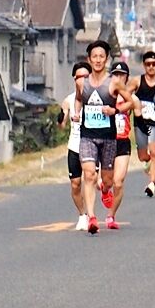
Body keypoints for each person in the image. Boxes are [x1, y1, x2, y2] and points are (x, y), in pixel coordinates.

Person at [73, 40, 133, 234]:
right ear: (89, 59)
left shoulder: (114, 82)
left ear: (106, 59)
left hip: (108, 137)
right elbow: (78, 99)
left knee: (107, 181)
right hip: (87, 136)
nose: (98, 60)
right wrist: (76, 112)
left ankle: (105, 192)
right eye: (94, 56)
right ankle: (92, 217)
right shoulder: (81, 82)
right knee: (89, 174)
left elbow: (130, 102)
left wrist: (114, 110)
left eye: (101, 56)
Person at [58, 61, 93, 231]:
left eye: (87, 76)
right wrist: (62, 119)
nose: (83, 80)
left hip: (92, 144)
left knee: (91, 179)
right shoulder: (69, 100)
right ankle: (82, 215)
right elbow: (62, 123)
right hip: (74, 145)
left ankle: (91, 214)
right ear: (74, 78)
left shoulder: (97, 97)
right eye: (80, 77)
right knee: (75, 183)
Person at [106, 61, 140, 229]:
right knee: (105, 182)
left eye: (122, 75)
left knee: (118, 182)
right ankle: (105, 190)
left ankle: (111, 216)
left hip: (123, 142)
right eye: (116, 74)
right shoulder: (106, 94)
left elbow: (139, 116)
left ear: (127, 78)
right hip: (106, 140)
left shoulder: (132, 98)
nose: (119, 78)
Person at [126, 50, 155, 198]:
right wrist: (130, 105)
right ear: (144, 65)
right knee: (143, 155)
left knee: (154, 151)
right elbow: (125, 95)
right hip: (140, 122)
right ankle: (147, 161)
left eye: (153, 64)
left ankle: (152, 184)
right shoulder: (137, 81)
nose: (151, 67)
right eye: (148, 64)